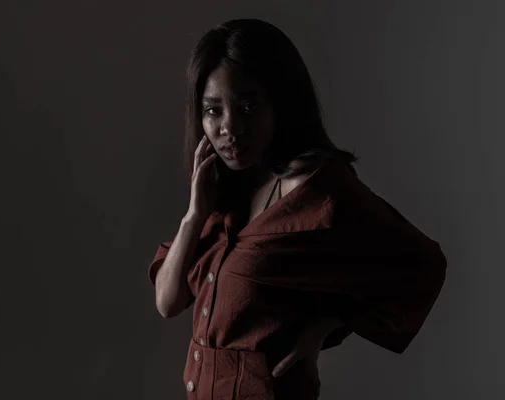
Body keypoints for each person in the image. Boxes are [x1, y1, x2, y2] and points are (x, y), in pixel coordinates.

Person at [147, 18, 447, 400]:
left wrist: (329, 324)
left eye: (248, 106)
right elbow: (167, 301)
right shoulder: (227, 193)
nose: (230, 128)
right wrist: (194, 215)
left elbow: (421, 264)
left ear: (282, 103)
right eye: (213, 111)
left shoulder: (318, 190)